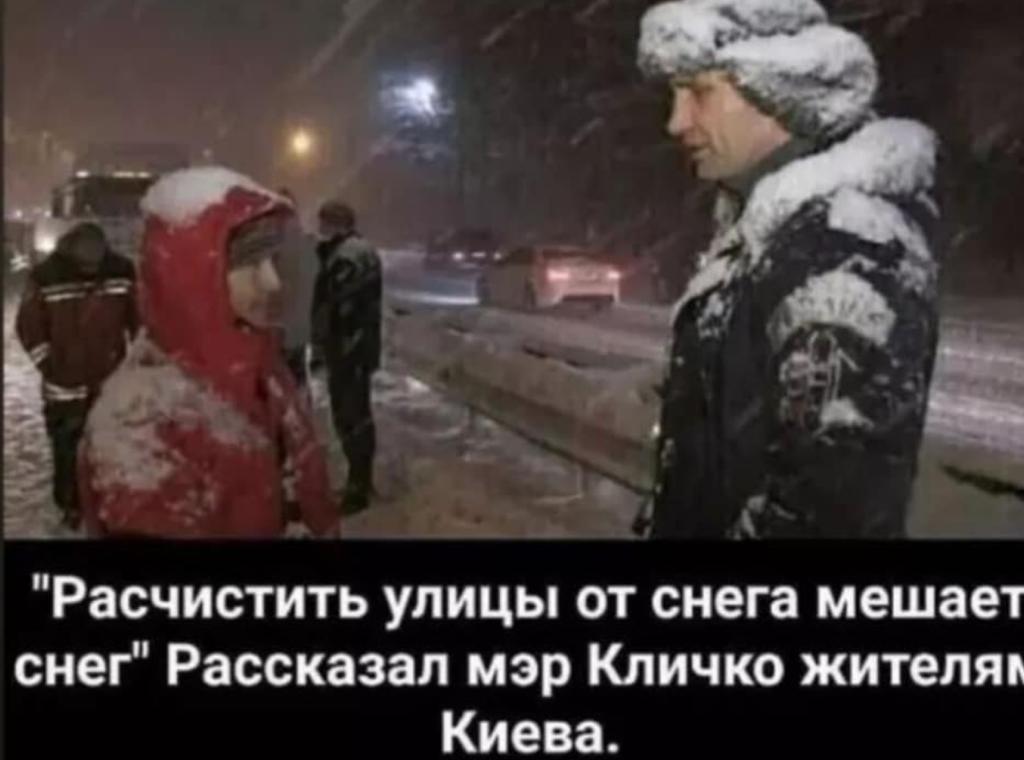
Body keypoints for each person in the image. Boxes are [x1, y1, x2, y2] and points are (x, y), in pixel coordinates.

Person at [634, 0, 941, 538]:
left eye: (700, 92)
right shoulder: (773, 233)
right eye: (674, 96)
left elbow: (826, 514)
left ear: (778, 88)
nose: (676, 122)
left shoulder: (840, 249)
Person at [77, 167, 340, 539]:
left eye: (272, 260)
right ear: (192, 277)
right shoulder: (144, 424)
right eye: (250, 264)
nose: (272, 281)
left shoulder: (262, 365)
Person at [15, 222, 138, 529]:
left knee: (109, 444)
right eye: (85, 266)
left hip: (109, 379)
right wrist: (50, 366)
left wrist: (136, 362)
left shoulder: (121, 272)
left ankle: (104, 501)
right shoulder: (46, 276)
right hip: (64, 386)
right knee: (66, 448)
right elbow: (29, 327)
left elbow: (138, 319)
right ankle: (70, 505)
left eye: (95, 266)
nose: (91, 271)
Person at [311, 200, 383, 514]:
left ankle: (358, 488)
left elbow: (338, 305)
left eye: (324, 222)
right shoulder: (353, 251)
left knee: (351, 417)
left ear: (337, 223)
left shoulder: (349, 256)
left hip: (350, 348)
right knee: (353, 415)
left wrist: (324, 342)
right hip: (354, 347)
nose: (321, 228)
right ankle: (360, 481)